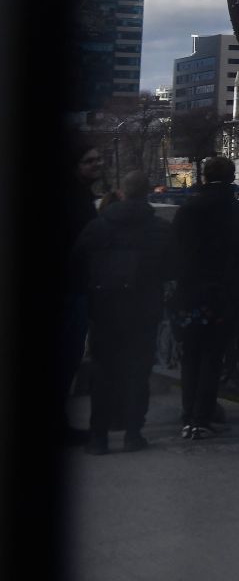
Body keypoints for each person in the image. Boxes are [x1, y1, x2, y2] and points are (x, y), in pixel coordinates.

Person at [72, 171, 175, 453]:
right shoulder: (159, 229)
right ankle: (132, 433)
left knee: (102, 372)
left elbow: (78, 260)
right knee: (138, 372)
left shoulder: (98, 226)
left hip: (104, 308)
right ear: (147, 194)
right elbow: (172, 268)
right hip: (143, 308)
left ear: (121, 192)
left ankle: (99, 437)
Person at [170, 156, 239, 439]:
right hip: (223, 293)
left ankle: (188, 415)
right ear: (232, 178)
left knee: (191, 354)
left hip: (190, 292)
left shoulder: (187, 209)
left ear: (205, 177)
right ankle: (202, 418)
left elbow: (176, 249)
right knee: (212, 356)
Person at [59, 146, 108, 444]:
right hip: (71, 291)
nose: (98, 164)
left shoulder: (80, 196)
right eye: (89, 161)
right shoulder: (75, 200)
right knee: (65, 359)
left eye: (99, 158)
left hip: (74, 289)